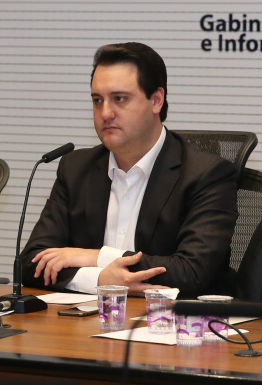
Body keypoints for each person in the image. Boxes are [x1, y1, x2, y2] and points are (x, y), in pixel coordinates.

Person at [20, 43, 238, 298]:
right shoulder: (76, 168)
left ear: (156, 100)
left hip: (176, 326)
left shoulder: (206, 174)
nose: (105, 113)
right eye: (97, 100)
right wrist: (102, 279)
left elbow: (191, 272)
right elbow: (31, 264)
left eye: (119, 99)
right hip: (91, 324)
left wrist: (95, 256)